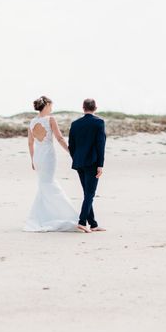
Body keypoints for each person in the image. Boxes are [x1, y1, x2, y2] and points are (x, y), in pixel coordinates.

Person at [23, 96, 80, 232]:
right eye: (51, 105)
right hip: (48, 156)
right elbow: (59, 138)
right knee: (49, 184)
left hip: (38, 157)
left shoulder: (32, 122)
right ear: (47, 105)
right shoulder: (50, 119)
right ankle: (66, 214)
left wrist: (32, 159)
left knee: (44, 185)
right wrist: (71, 151)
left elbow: (30, 143)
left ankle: (43, 216)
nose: (52, 108)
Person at [68, 98, 107, 232]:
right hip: (92, 162)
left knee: (87, 193)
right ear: (95, 108)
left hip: (79, 162)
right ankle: (82, 221)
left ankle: (93, 224)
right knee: (90, 193)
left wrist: (76, 158)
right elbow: (100, 144)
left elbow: (71, 145)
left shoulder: (75, 124)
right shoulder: (99, 123)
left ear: (83, 108)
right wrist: (100, 164)